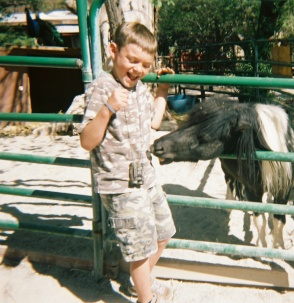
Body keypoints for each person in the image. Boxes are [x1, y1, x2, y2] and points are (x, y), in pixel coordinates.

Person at [78, 22, 176, 303]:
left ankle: (140, 284)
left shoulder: (141, 89)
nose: (137, 69)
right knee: (139, 250)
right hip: (120, 184)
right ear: (113, 51)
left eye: (145, 64)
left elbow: (154, 123)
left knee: (165, 232)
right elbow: (87, 141)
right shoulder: (102, 88)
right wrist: (107, 108)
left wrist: (163, 91)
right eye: (132, 60)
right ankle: (146, 298)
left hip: (145, 177)